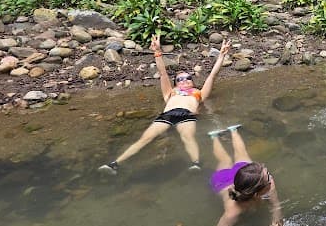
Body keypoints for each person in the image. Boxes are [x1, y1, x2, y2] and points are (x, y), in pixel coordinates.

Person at [97, 34, 231, 174]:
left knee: (187, 137)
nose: (184, 80)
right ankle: (115, 164)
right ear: (175, 84)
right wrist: (157, 52)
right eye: (180, 79)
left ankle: (195, 164)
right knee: (146, 138)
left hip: (186, 114)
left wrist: (221, 55)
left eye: (188, 78)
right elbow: (163, 74)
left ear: (192, 81)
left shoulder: (198, 93)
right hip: (167, 115)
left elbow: (212, 76)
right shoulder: (170, 93)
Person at [210, 125, 284, 226]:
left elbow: (276, 206)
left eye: (267, 173)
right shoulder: (232, 211)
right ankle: (214, 137)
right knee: (225, 159)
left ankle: (233, 130)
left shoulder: (263, 180)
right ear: (256, 193)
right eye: (267, 178)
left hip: (244, 174)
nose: (271, 179)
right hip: (223, 181)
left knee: (241, 153)